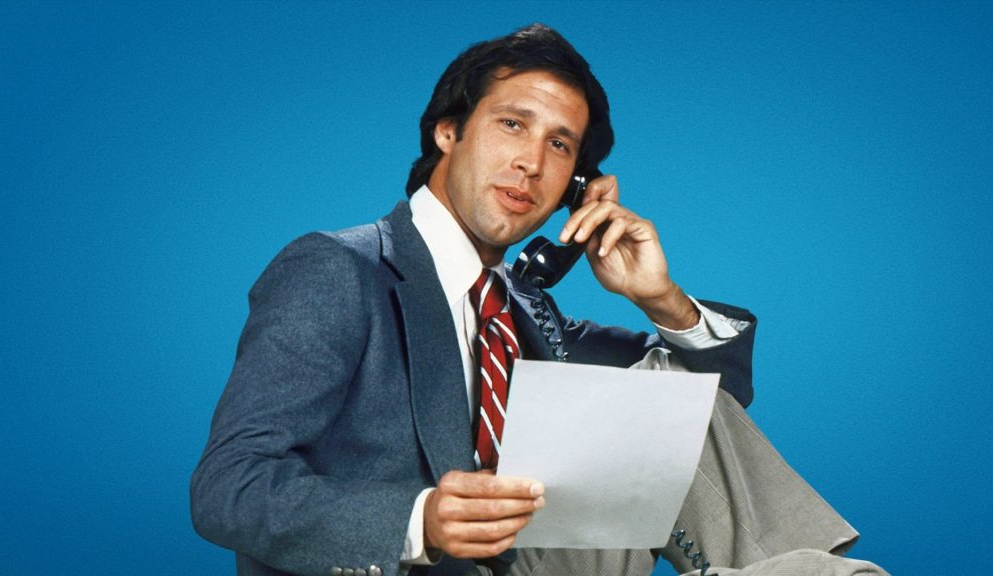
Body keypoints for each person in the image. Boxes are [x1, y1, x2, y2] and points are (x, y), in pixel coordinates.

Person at [191, 24, 887, 576]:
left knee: (671, 396)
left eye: (560, 145)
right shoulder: (338, 269)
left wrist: (661, 299)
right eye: (512, 125)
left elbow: (709, 418)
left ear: (577, 187)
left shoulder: (525, 312)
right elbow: (228, 486)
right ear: (448, 131)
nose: (532, 162)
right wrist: (419, 520)